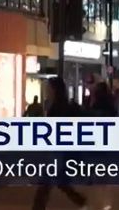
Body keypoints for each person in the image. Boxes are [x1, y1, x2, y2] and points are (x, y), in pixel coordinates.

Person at [32, 77, 89, 210]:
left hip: (59, 152)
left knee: (47, 183)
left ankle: (81, 201)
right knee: (59, 182)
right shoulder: (59, 106)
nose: (47, 92)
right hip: (61, 152)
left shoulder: (58, 108)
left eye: (49, 89)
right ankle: (81, 201)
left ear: (55, 90)